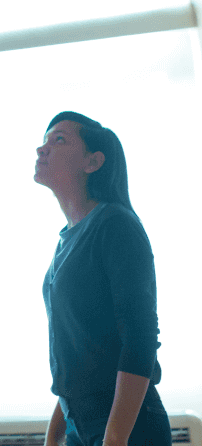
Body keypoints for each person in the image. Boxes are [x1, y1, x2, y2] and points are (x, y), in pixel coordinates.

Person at [35, 111, 171, 446]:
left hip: (124, 428)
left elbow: (139, 339)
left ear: (93, 162)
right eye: (45, 140)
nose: (42, 149)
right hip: (79, 425)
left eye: (59, 139)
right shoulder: (67, 240)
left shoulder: (115, 224)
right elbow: (83, 356)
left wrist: (114, 438)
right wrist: (54, 434)